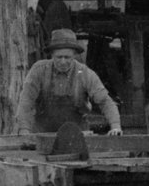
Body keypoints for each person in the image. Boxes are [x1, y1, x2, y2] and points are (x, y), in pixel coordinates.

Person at [15, 28, 123, 156]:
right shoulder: (38, 71)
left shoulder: (85, 74)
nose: (63, 61)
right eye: (58, 57)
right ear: (51, 55)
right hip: (43, 136)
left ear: (75, 55)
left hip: (77, 138)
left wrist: (115, 126)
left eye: (67, 57)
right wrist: (24, 131)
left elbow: (105, 101)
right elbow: (26, 102)